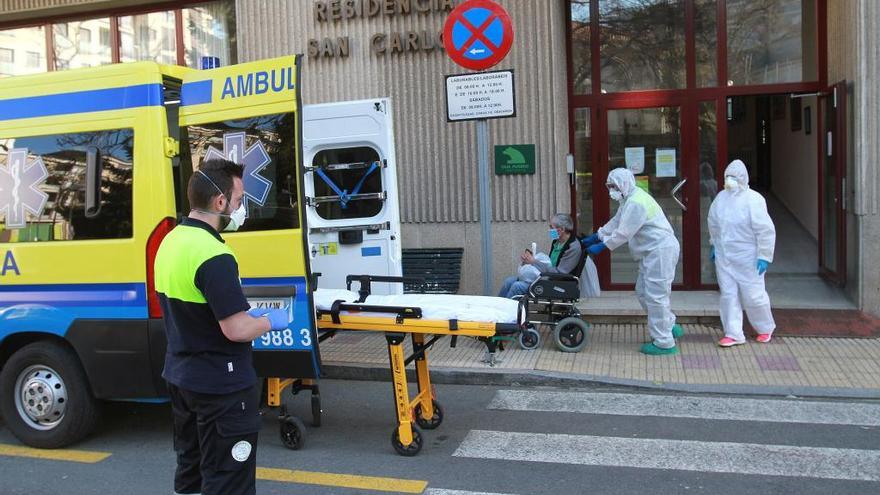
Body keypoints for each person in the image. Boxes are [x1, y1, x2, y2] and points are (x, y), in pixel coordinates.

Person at [154, 158, 290, 495]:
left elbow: (194, 306)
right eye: (239, 200)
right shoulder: (214, 254)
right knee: (229, 479)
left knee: (192, 471)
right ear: (220, 202)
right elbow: (235, 330)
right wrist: (269, 320)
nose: (241, 208)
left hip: (183, 378)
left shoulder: (170, 241)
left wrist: (241, 313)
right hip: (221, 386)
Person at [581, 168, 683, 355]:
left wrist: (603, 245)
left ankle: (664, 342)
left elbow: (623, 233)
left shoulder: (636, 203)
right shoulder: (629, 199)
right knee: (643, 292)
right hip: (652, 253)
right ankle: (668, 325)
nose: (611, 190)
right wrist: (598, 235)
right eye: (609, 186)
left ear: (623, 184)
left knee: (656, 296)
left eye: (613, 186)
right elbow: (617, 221)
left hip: (660, 251)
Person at [708, 159, 777, 347]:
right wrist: (714, 244)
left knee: (753, 294)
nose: (729, 180)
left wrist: (764, 255)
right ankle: (733, 333)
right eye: (727, 177)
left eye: (733, 177)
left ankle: (764, 328)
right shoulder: (721, 198)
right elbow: (713, 223)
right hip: (724, 256)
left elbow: (765, 230)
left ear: (743, 178)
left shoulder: (754, 200)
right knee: (728, 294)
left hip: (748, 256)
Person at [498, 213, 582, 298]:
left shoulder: (573, 247)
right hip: (547, 278)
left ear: (561, 230)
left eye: (551, 227)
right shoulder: (557, 242)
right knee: (508, 281)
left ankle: (506, 310)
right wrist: (530, 259)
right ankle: (496, 308)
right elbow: (549, 263)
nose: (549, 230)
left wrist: (534, 262)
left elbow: (559, 273)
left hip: (557, 284)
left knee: (517, 286)